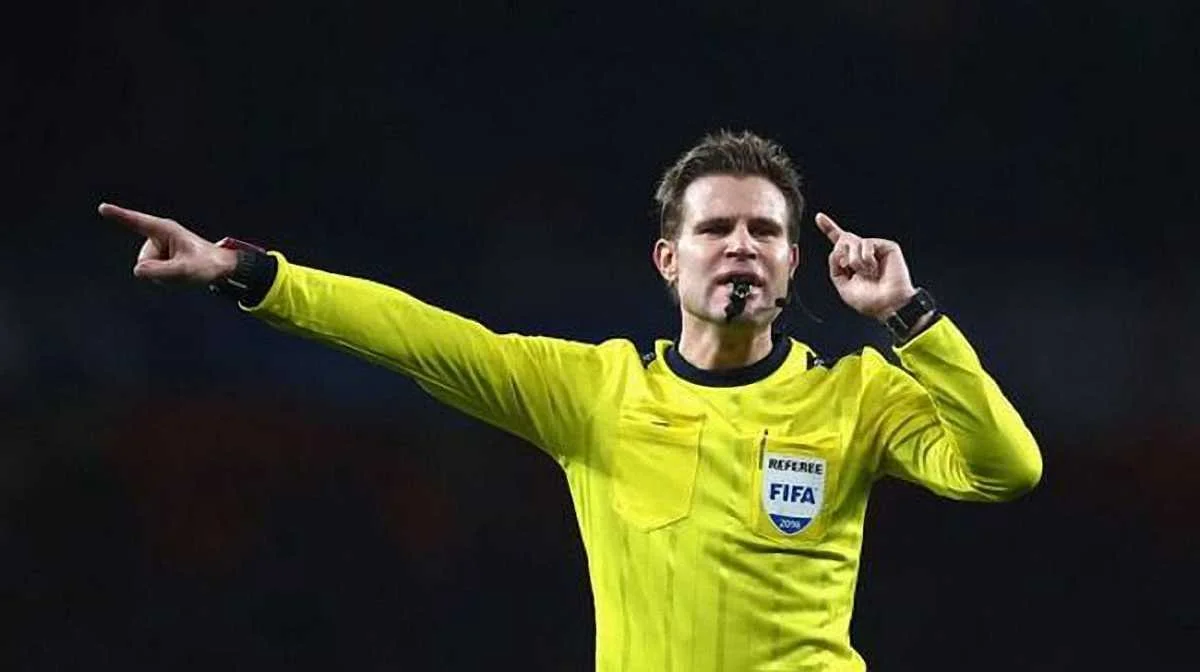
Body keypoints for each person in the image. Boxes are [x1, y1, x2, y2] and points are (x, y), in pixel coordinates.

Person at [101, 130, 1042, 671]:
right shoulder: (595, 392)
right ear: (669, 259)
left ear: (795, 262)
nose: (741, 246)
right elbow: (422, 337)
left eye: (764, 231)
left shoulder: (858, 395)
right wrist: (247, 271)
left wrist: (910, 316)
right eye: (715, 228)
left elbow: (1007, 469)